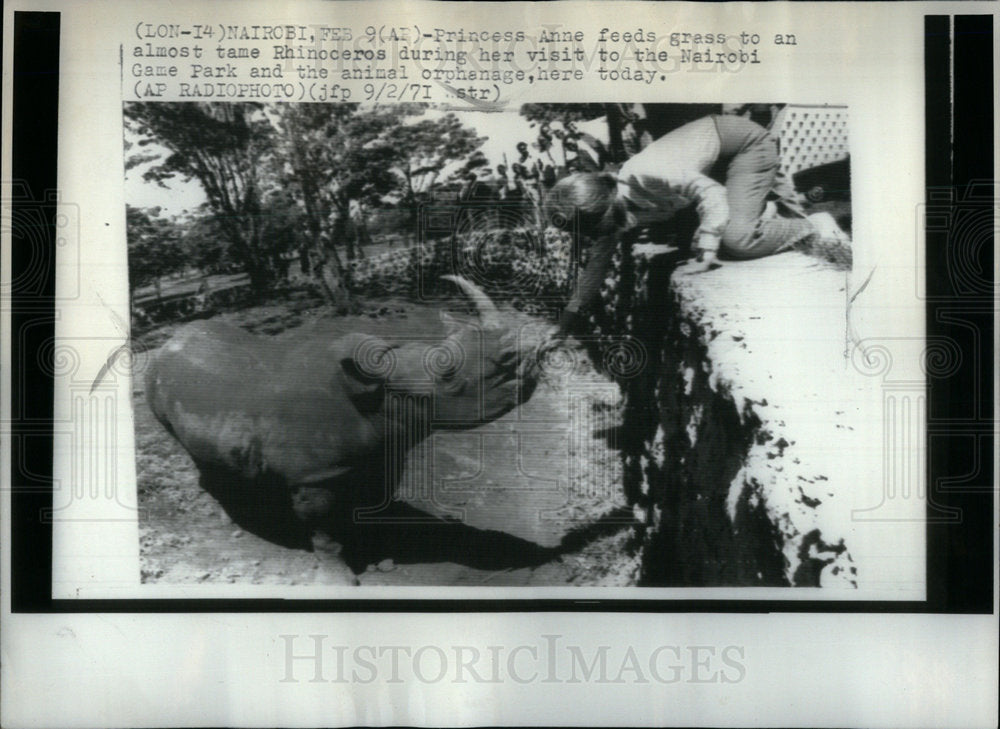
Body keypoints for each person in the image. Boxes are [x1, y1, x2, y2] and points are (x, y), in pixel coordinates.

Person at [546, 113, 850, 336]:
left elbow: (712, 194)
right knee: (713, 235)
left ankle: (814, 224)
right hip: (717, 167)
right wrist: (564, 326)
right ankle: (763, 211)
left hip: (745, 147)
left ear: (604, 209)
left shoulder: (645, 175)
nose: (600, 237)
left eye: (597, 230)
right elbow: (594, 270)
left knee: (735, 241)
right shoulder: (610, 209)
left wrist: (706, 252)